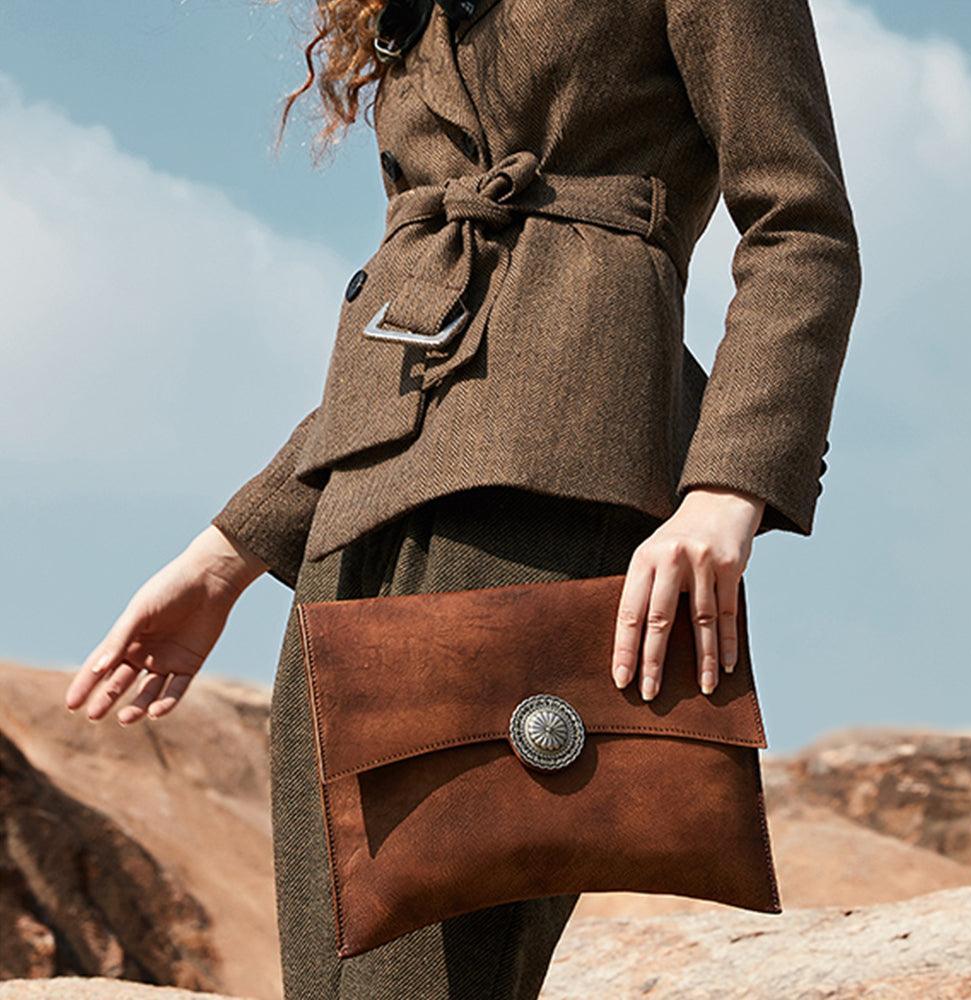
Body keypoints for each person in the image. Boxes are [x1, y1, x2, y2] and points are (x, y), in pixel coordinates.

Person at [65, 0, 862, 996]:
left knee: (435, 979)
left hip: (553, 473)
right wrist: (228, 552)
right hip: (355, 523)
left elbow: (803, 229)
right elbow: (430, 303)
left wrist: (724, 485)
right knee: (333, 979)